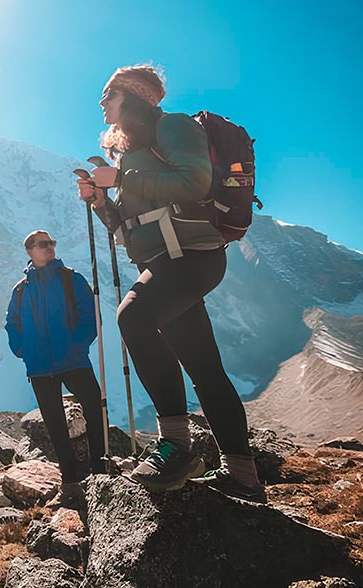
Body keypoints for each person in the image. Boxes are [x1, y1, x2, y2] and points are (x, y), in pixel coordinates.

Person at [76, 63, 264, 503]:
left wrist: (120, 178)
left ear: (131, 94)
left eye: (108, 93)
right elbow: (130, 228)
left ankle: (176, 446)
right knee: (205, 369)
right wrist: (103, 201)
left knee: (134, 318)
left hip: (193, 257)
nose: (101, 102)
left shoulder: (173, 127)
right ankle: (244, 477)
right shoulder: (135, 154)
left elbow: (194, 181)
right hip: (168, 261)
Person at [5, 229, 105, 510]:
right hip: (39, 367)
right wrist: (22, 349)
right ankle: (70, 480)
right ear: (30, 251)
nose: (49, 248)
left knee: (94, 406)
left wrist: (78, 344)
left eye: (51, 243)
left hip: (73, 360)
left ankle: (100, 467)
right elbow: (12, 323)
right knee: (55, 424)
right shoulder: (22, 289)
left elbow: (91, 314)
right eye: (42, 244)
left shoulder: (71, 279)